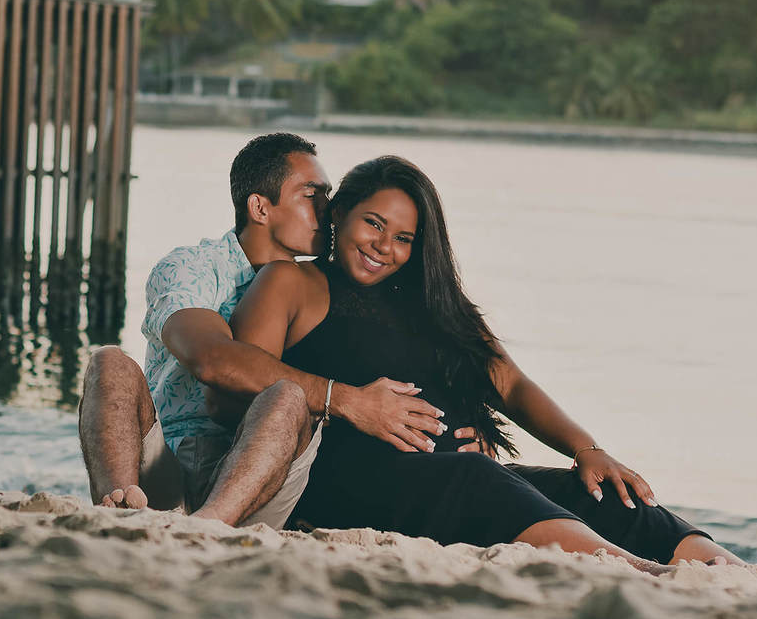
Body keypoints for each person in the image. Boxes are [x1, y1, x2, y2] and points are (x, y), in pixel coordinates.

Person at [227, 155, 745, 573]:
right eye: (374, 224)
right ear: (339, 214)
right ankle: (635, 572)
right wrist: (348, 403)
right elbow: (241, 383)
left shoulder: (432, 304)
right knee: (476, 475)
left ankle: (730, 572)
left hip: (453, 480)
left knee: (600, 492)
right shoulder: (291, 283)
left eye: (404, 238)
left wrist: (588, 450)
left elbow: (511, 383)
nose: (384, 247)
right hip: (344, 480)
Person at [79, 134, 476, 528]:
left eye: (329, 195)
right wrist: (346, 400)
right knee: (108, 361)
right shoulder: (193, 268)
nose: (329, 208)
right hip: (166, 462)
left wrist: (461, 437)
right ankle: (118, 509)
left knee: (286, 397)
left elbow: (404, 370)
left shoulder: (333, 286)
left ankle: (209, 528)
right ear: (260, 208)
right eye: (311, 195)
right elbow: (211, 358)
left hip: (259, 472)